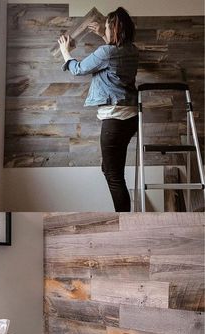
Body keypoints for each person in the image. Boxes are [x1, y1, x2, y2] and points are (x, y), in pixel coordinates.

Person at [58, 7, 139, 212]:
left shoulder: (106, 52)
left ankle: (123, 220)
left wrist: (65, 51)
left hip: (114, 119)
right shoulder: (132, 49)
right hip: (129, 118)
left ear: (115, 29)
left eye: (107, 26)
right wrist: (103, 35)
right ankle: (124, 216)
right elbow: (114, 59)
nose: (105, 28)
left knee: (114, 177)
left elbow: (78, 69)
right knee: (110, 170)